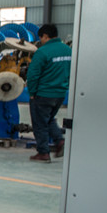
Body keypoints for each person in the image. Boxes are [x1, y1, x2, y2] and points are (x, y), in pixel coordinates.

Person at [26, 23, 72, 162]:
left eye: (41, 38)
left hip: (43, 94)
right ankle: (59, 141)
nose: (41, 41)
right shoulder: (68, 50)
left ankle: (43, 153)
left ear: (45, 36)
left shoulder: (43, 51)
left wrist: (32, 92)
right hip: (60, 94)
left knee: (40, 123)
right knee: (49, 119)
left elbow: (33, 75)